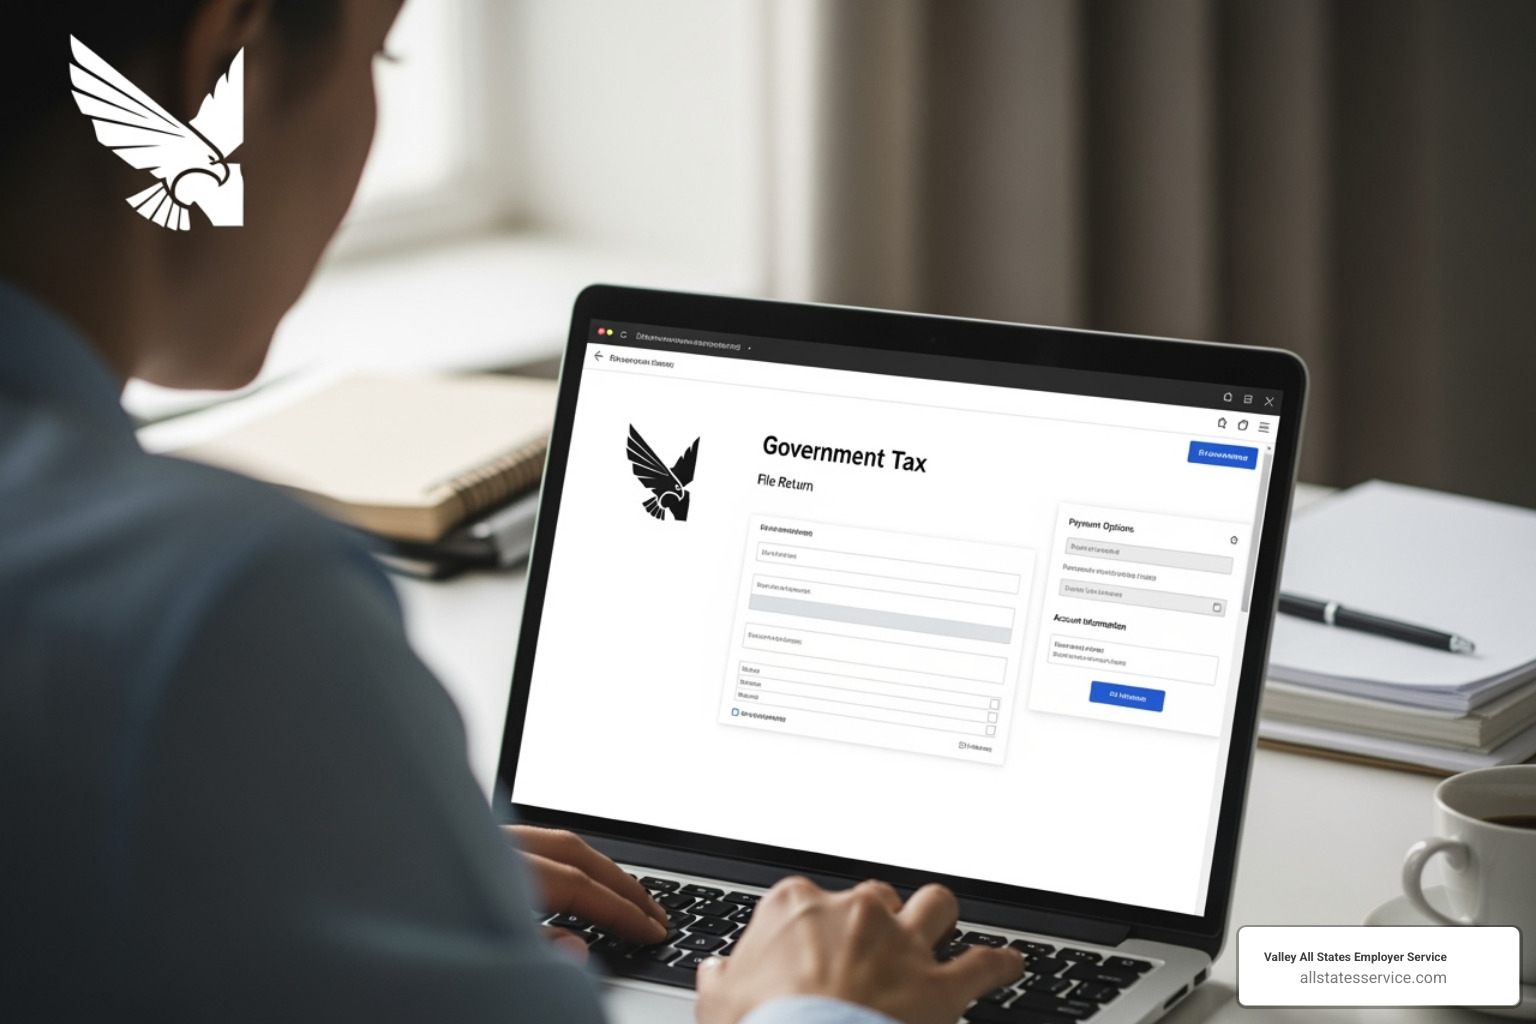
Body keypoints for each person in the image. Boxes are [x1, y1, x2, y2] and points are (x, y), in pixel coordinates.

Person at [0, 2, 1024, 1021]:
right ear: (223, 61)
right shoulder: (222, 610)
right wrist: (818, 1013)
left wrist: (323, 849)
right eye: (382, 50)